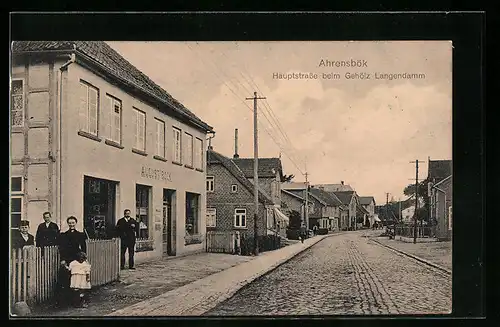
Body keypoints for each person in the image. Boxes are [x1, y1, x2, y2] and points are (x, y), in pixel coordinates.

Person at [57, 216, 87, 307]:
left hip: (77, 259)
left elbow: (84, 248)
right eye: (70, 223)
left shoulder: (80, 235)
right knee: (67, 279)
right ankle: (68, 300)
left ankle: (78, 301)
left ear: (76, 223)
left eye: (73, 223)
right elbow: (62, 249)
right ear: (68, 224)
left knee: (78, 279)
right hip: (68, 259)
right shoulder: (64, 235)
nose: (71, 224)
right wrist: (63, 260)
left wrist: (83, 259)